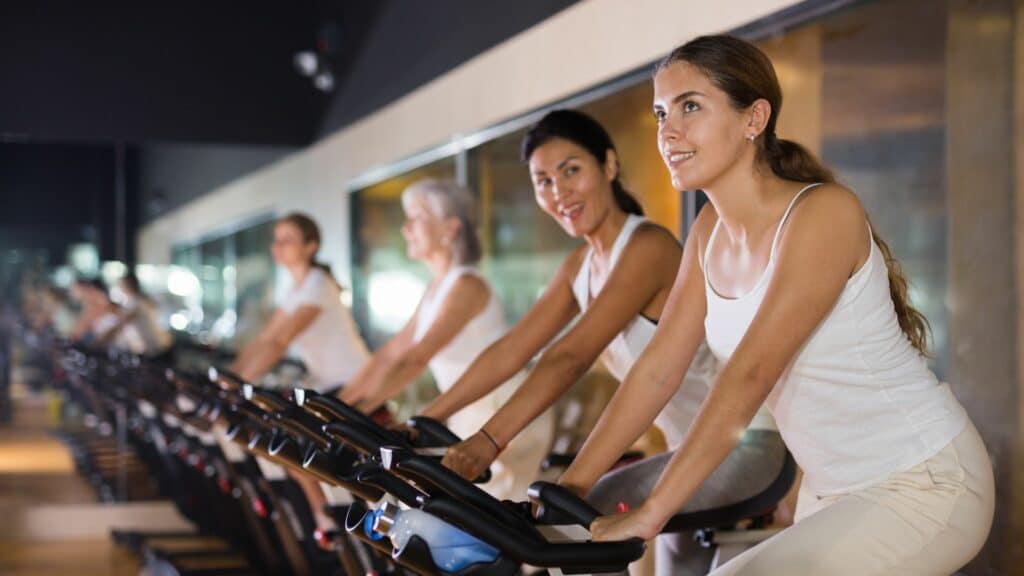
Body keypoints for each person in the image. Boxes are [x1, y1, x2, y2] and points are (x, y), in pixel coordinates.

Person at [571, 35, 994, 575]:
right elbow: (658, 369)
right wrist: (573, 486)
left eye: (690, 107)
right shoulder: (707, 232)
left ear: (754, 119)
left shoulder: (822, 214)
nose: (667, 132)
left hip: (925, 478)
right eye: (660, 113)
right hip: (833, 490)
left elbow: (749, 375)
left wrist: (653, 513)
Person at [438, 111, 784, 575]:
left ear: (609, 166)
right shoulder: (580, 267)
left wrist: (489, 441)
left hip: (747, 446)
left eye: (571, 170)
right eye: (543, 181)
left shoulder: (647, 248)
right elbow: (511, 349)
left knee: (581, 514)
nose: (558, 191)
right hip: (686, 455)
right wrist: (429, 419)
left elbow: (570, 355)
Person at [340, 179, 553, 502]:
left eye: (416, 218)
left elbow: (416, 358)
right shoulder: (436, 288)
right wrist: (342, 406)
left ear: (450, 228)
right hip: (466, 411)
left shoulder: (467, 285)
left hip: (502, 413)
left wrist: (358, 412)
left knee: (480, 522)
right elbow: (391, 354)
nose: (405, 229)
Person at [230, 213, 369, 392]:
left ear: (311, 247)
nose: (278, 246)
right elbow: (266, 337)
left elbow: (280, 341)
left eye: (287, 240)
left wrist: (236, 384)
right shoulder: (296, 289)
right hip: (330, 384)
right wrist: (231, 375)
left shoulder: (318, 285)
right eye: (276, 240)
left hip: (354, 382)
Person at [110, 272, 173, 355]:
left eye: (122, 284)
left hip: (151, 349)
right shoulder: (136, 301)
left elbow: (121, 323)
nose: (120, 287)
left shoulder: (137, 302)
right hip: (149, 348)